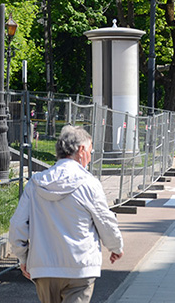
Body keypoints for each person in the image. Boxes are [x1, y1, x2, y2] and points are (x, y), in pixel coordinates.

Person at [9, 125, 123, 303]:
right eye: (90, 151)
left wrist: (23, 257)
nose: (90, 158)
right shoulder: (89, 184)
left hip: (44, 268)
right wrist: (115, 247)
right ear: (82, 149)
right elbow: (105, 221)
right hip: (80, 267)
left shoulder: (36, 184)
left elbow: (17, 225)